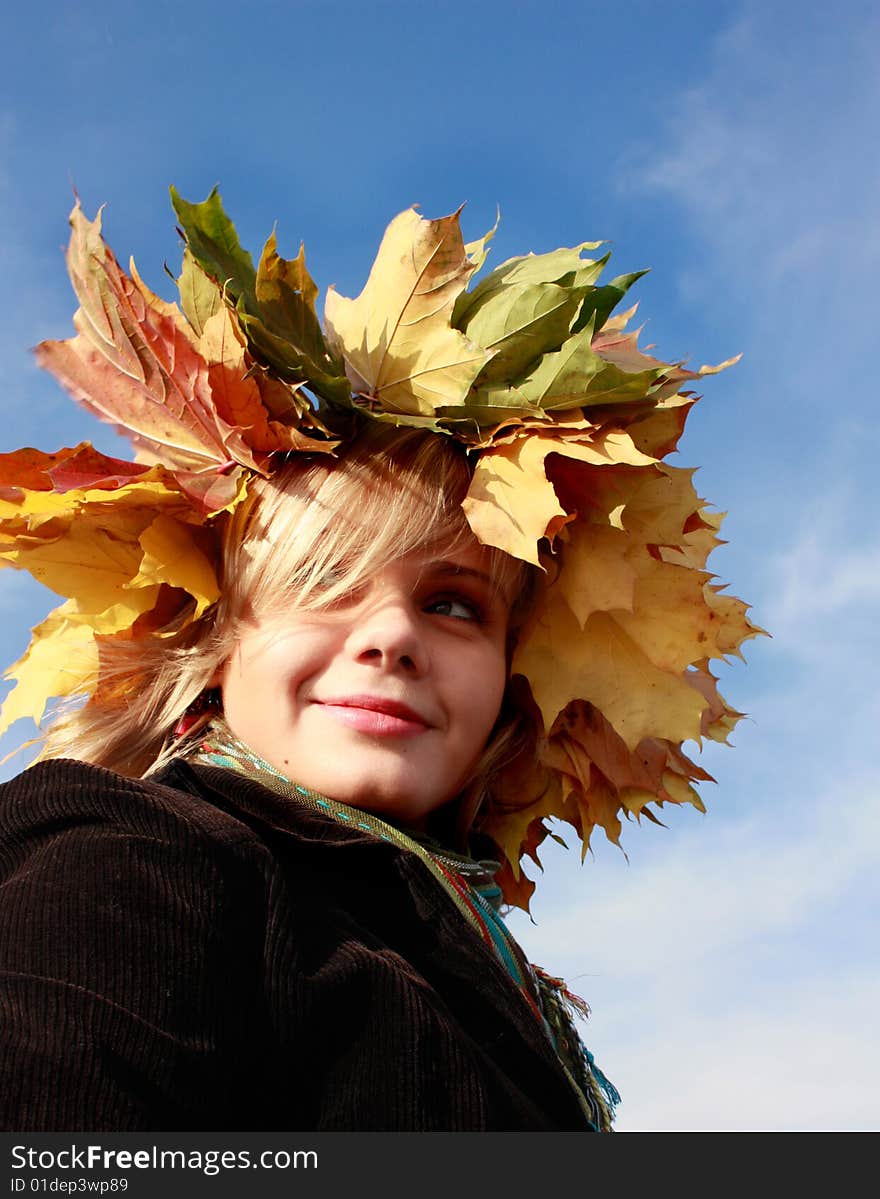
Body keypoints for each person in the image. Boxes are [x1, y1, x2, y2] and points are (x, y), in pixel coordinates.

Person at [0, 189, 759, 1132]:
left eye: (453, 605)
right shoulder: (132, 858)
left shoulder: (465, 966)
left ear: (513, 686)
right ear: (214, 645)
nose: (391, 637)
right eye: (325, 582)